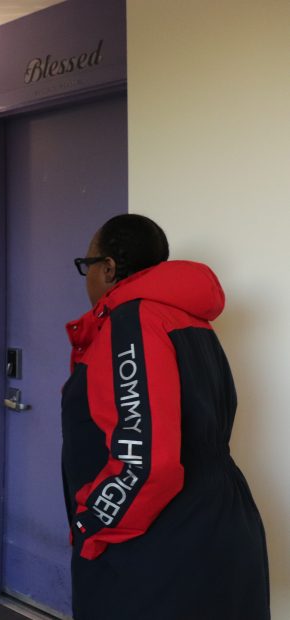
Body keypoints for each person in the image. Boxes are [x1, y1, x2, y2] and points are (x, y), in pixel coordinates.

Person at [62, 213, 269, 619]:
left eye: (87, 265)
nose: (86, 278)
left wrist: (90, 523)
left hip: (163, 541)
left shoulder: (133, 321)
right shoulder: (192, 321)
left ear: (108, 268)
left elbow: (146, 463)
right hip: (216, 522)